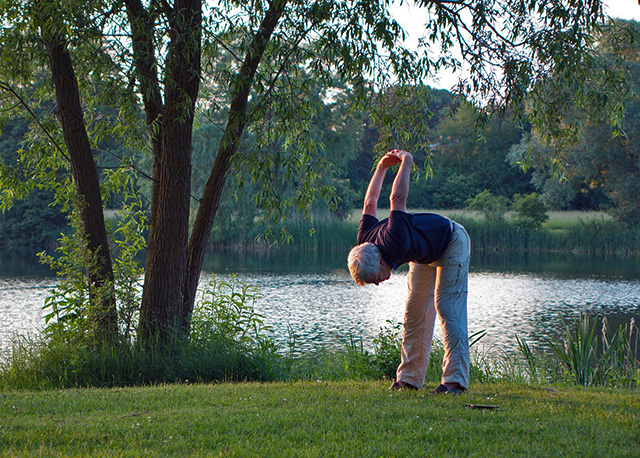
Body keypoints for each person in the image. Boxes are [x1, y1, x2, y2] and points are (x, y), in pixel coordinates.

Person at [347, 149, 471, 395]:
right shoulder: (364, 241)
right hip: (424, 253)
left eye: (375, 280)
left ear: (381, 262)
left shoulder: (395, 240)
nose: (379, 284)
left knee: (447, 306)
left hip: (452, 241)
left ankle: (455, 382)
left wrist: (406, 162)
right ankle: (409, 379)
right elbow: (369, 203)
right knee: (414, 313)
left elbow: (397, 199)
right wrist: (381, 167)